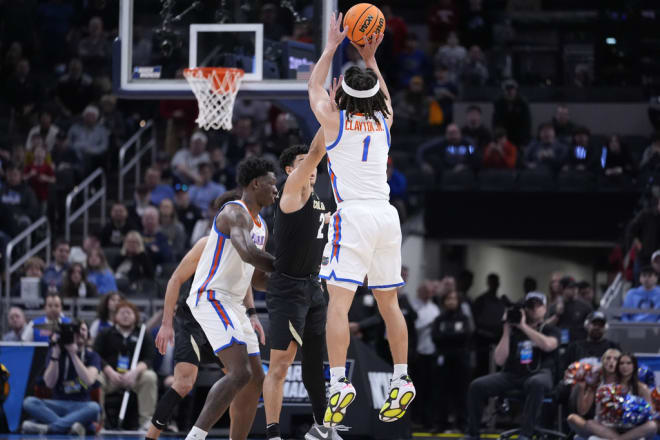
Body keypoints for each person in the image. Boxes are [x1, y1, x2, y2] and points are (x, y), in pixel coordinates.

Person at [308, 14, 414, 426]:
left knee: (339, 303)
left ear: (342, 95)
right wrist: (371, 59)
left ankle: (338, 382)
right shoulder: (385, 120)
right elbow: (385, 96)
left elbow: (314, 87)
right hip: (387, 217)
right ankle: (402, 377)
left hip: (352, 215)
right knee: (390, 304)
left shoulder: (333, 122)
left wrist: (334, 44)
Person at [181, 156, 277, 440]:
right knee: (238, 373)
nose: (276, 190)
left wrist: (291, 282)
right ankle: (195, 437)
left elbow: (257, 278)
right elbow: (248, 252)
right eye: (272, 184)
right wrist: (290, 265)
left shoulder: (262, 226)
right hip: (211, 297)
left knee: (255, 379)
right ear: (256, 183)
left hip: (233, 303)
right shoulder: (234, 213)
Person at [146, 236, 265, 440]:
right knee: (184, 382)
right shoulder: (207, 243)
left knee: (241, 380)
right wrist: (166, 325)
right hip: (193, 318)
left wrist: (252, 313)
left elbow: (244, 281)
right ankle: (150, 437)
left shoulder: (243, 245)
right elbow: (175, 279)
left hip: (222, 319)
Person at [263, 133, 339, 440]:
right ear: (288, 170)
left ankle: (324, 428)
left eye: (313, 164)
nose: (312, 167)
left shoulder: (320, 199)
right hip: (288, 289)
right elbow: (318, 151)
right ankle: (272, 434)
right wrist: (329, 113)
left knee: (313, 365)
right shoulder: (290, 192)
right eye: (303, 162)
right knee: (280, 366)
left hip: (314, 288)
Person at [466, 292, 561, 440]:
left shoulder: (550, 329)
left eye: (538, 305)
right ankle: (473, 434)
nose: (534, 309)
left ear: (545, 308)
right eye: (531, 306)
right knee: (476, 386)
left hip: (541, 374)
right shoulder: (513, 331)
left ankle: (526, 434)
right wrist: (506, 329)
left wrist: (523, 326)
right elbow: (499, 360)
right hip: (513, 375)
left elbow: (548, 345)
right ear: (525, 309)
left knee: (536, 382)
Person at [21, 321, 102, 435]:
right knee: (29, 402)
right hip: (57, 404)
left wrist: (73, 354)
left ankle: (49, 428)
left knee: (94, 408)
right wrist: (55, 355)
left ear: (88, 335)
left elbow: (89, 380)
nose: (79, 333)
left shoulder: (92, 356)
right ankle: (69, 426)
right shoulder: (56, 352)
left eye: (83, 330)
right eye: (77, 330)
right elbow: (49, 383)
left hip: (81, 406)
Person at [94, 301, 158, 430]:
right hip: (110, 377)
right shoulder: (105, 333)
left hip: (134, 377)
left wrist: (134, 372)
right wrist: (110, 373)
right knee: (95, 378)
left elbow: (149, 358)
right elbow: (96, 356)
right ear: (115, 317)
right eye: (122, 312)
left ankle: (146, 421)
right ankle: (99, 420)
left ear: (135, 316)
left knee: (150, 377)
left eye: (129, 312)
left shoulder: (142, 334)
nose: (125, 315)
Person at [581, 353, 658, 440]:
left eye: (628, 363)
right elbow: (599, 414)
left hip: (633, 428)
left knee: (652, 425)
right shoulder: (608, 387)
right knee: (589, 423)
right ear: (618, 366)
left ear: (634, 366)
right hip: (612, 427)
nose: (625, 366)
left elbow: (650, 412)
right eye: (621, 363)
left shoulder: (642, 388)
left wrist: (637, 412)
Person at [432, 289, 472, 432]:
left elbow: (465, 336)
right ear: (444, 302)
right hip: (443, 360)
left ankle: (463, 423)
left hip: (461, 360)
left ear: (458, 301)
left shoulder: (464, 319)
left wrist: (447, 336)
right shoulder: (439, 319)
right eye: (448, 299)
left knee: (461, 393)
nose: (451, 301)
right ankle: (440, 424)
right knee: (441, 392)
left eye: (454, 299)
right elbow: (436, 338)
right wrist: (454, 336)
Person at [566, 348, 621, 435]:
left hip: (617, 424)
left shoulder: (624, 383)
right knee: (573, 418)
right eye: (608, 358)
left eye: (616, 359)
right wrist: (582, 388)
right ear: (602, 362)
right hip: (596, 425)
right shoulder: (595, 381)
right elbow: (582, 411)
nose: (611, 361)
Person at [472, 273, 510, 379]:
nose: (494, 284)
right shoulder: (480, 300)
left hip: (498, 340)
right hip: (483, 342)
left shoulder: (500, 302)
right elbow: (476, 321)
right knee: (482, 370)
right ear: (488, 283)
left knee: (498, 368)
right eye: (492, 282)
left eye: (496, 282)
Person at [546, 276, 593, 344]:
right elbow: (547, 327)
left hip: (580, 344)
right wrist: (558, 314)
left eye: (575, 287)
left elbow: (592, 326)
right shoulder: (554, 307)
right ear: (562, 289)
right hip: (561, 344)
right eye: (570, 288)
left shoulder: (586, 306)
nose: (574, 290)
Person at [492, 79, 531, 147]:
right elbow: (496, 122)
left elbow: (527, 123)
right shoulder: (499, 103)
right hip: (503, 137)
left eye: (512, 89)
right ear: (504, 91)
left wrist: (524, 139)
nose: (510, 92)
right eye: (507, 90)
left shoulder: (522, 103)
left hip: (519, 136)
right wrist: (497, 136)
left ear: (516, 90)